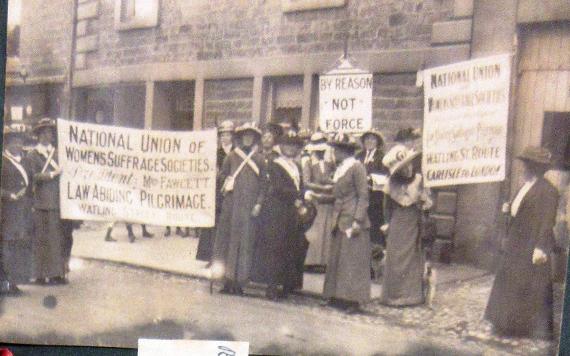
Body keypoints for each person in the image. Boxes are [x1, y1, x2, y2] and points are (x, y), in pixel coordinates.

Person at [485, 146, 559, 340]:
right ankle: (504, 323)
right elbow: (522, 208)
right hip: (516, 243)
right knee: (510, 282)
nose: (524, 167)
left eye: (527, 164)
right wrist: (509, 209)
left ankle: (524, 327)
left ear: (535, 167)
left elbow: (547, 221)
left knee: (529, 286)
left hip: (531, 244)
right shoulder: (525, 185)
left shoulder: (548, 191)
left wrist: (541, 247)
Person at [318, 133, 371, 314]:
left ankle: (353, 300)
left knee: (352, 261)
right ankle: (336, 296)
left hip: (352, 220)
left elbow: (363, 196)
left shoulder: (357, 168)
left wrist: (357, 220)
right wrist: (317, 198)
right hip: (340, 218)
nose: (335, 153)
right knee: (338, 259)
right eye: (335, 149)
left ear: (345, 151)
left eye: (338, 150)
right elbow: (336, 196)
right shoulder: (340, 169)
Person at [211, 122, 266, 295]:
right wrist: (223, 178)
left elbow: (264, 184)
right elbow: (222, 177)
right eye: (245, 135)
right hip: (231, 206)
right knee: (228, 242)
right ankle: (227, 281)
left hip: (249, 208)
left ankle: (240, 282)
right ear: (240, 138)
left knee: (246, 244)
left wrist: (258, 203)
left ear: (255, 138)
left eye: (251, 136)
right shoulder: (232, 156)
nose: (247, 138)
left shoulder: (259, 159)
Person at [251, 131, 307, 300]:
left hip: (291, 212)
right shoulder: (275, 165)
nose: (290, 149)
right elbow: (278, 188)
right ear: (282, 147)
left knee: (290, 248)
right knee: (276, 248)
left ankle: (286, 285)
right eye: (287, 145)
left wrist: (302, 196)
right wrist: (297, 197)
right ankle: (272, 286)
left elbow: (300, 186)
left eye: (294, 146)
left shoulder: (296, 166)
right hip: (277, 211)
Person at [380, 144, 432, 307]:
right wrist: (387, 223)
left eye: (408, 165)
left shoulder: (419, 180)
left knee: (412, 257)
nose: (407, 169)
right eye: (402, 167)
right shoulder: (391, 183)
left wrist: (424, 204)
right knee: (395, 257)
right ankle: (393, 296)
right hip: (397, 223)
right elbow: (386, 206)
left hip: (413, 221)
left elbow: (428, 204)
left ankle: (411, 296)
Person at [28, 118, 68, 285]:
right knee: (41, 240)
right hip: (40, 203)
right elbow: (32, 176)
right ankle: (39, 275)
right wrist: (51, 174)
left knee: (55, 240)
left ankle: (56, 274)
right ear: (38, 136)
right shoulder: (32, 154)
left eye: (50, 132)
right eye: (44, 133)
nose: (47, 135)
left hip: (56, 203)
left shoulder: (58, 153)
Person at [0, 123, 33, 295]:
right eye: (14, 142)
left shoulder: (25, 161)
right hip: (7, 211)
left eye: (20, 142)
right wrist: (9, 195)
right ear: (7, 144)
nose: (17, 145)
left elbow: (31, 183)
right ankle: (5, 283)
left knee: (19, 247)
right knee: (7, 248)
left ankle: (14, 282)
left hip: (23, 211)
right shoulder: (4, 162)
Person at [197, 120, 235, 264]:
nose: (225, 138)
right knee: (213, 225)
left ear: (232, 136)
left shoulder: (236, 152)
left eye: (228, 135)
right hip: (216, 193)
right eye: (222, 135)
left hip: (231, 193)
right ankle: (211, 258)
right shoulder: (215, 152)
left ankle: (226, 258)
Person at [302, 132, 334, 268]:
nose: (320, 152)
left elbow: (333, 177)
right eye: (317, 150)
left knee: (326, 228)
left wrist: (331, 184)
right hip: (315, 199)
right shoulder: (308, 162)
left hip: (327, 200)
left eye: (322, 149)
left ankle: (324, 260)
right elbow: (306, 181)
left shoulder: (329, 163)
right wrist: (321, 187)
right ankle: (311, 260)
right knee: (315, 229)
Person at [356, 129, 389, 248]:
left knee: (374, 225)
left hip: (375, 198)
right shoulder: (358, 156)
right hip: (359, 198)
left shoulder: (382, 158)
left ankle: (374, 252)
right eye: (367, 138)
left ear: (377, 142)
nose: (369, 141)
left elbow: (385, 176)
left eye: (372, 139)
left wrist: (370, 179)